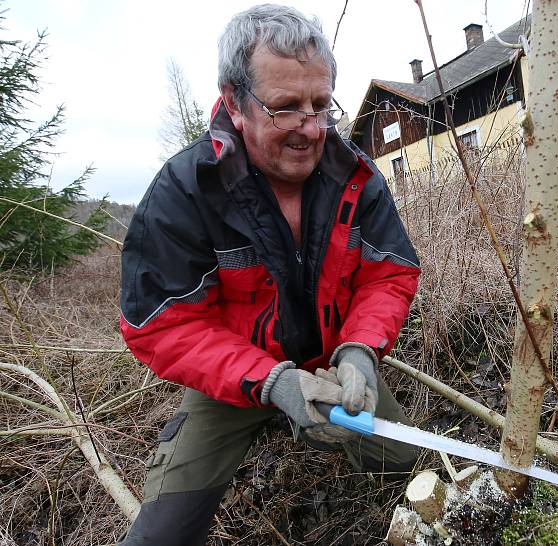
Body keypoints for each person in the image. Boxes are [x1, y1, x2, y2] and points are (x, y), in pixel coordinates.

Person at [117, 4, 420, 544]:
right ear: (235, 103)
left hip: (332, 363)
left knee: (406, 466)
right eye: (286, 108)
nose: (311, 128)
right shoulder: (185, 191)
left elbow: (388, 274)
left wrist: (359, 352)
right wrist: (272, 383)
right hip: (236, 379)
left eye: (321, 105)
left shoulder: (354, 175)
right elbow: (160, 325)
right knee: (160, 536)